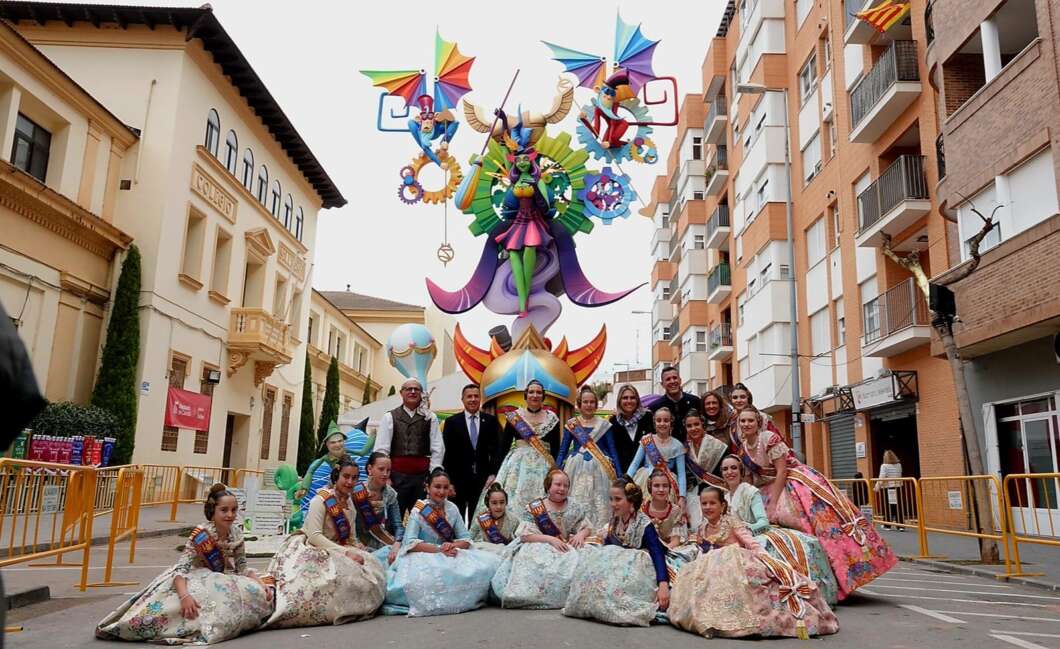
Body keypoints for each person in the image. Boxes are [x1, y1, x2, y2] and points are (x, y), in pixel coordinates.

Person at [734, 405, 896, 600]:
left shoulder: (768, 438)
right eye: (743, 421)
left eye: (750, 420)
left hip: (793, 485)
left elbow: (781, 471)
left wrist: (773, 502)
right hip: (765, 489)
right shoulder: (743, 447)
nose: (746, 424)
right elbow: (750, 478)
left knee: (819, 528)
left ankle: (840, 577)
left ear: (758, 422)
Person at [96, 484, 274, 643]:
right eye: (224, 510)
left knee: (256, 594)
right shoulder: (201, 534)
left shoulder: (236, 534)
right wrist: (184, 596)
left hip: (223, 578)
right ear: (213, 511)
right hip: (192, 577)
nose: (230, 515)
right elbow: (181, 570)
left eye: (234, 510)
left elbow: (242, 568)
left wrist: (259, 583)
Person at [668, 486, 839, 640]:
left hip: (735, 564)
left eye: (712, 503)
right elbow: (702, 550)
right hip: (711, 568)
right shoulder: (702, 528)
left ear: (722, 505)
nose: (708, 507)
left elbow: (750, 542)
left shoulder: (732, 522)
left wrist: (765, 558)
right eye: (704, 504)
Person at [265, 458, 386, 628]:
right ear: (336, 476)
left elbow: (351, 538)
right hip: (314, 547)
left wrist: (358, 548)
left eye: (354, 478)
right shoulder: (320, 500)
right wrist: (345, 552)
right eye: (346, 476)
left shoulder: (350, 503)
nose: (350, 482)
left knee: (369, 567)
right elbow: (315, 536)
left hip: (339, 548)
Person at [720, 455, 839, 607]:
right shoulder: (724, 497)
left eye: (733, 468)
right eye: (725, 469)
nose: (730, 472)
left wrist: (745, 529)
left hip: (754, 536)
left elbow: (763, 522)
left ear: (741, 471)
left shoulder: (750, 492)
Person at [383, 468, 501, 616]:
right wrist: (440, 549)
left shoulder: (452, 509)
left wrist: (452, 545)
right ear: (428, 487)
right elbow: (410, 543)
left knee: (482, 567)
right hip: (423, 553)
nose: (441, 491)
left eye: (445, 487)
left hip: (448, 551)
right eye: (437, 487)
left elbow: (466, 539)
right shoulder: (419, 510)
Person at [562, 478, 671, 627]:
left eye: (618, 499)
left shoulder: (644, 524)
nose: (613, 504)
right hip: (620, 565)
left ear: (631, 502)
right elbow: (609, 548)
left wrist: (663, 585)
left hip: (639, 567)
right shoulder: (615, 521)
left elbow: (657, 554)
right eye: (611, 499)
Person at [491, 469, 592, 609]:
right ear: (548, 486)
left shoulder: (575, 506)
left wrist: (580, 535)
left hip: (565, 546)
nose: (562, 488)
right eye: (558, 484)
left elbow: (586, 526)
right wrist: (551, 540)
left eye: (566, 485)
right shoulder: (535, 507)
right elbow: (526, 535)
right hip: (539, 543)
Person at [478, 379, 561, 517]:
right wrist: (494, 473)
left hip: (543, 466)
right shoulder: (515, 417)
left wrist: (557, 471)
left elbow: (556, 449)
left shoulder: (552, 419)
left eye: (539, 392)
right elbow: (503, 447)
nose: (535, 395)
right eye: (531, 392)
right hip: (517, 467)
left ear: (543, 396)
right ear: (526, 395)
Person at [375, 377, 444, 516]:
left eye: (416, 389)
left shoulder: (431, 418)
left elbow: (438, 448)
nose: (412, 392)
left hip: (422, 479)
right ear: (401, 393)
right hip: (395, 478)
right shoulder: (389, 417)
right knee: (393, 521)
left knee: (423, 519)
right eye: (408, 389)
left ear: (421, 393)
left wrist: (432, 475)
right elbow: (381, 450)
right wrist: (385, 476)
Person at [555, 386, 621, 527]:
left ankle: (600, 528)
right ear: (579, 404)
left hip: (601, 468)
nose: (589, 405)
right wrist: (555, 471)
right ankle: (576, 526)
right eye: (585, 402)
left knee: (600, 501)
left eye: (592, 402)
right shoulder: (572, 424)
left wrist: (619, 474)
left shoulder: (604, 425)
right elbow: (563, 450)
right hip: (576, 467)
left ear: (596, 405)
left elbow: (613, 450)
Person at [443, 384, 503, 522]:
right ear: (462, 399)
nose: (473, 399)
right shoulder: (452, 422)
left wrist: (493, 473)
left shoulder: (491, 421)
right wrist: (449, 481)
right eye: (469, 396)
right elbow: (447, 453)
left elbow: (497, 450)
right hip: (458, 480)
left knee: (478, 520)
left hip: (483, 480)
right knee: (455, 519)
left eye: (476, 396)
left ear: (480, 399)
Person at [626, 408, 687, 513]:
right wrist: (625, 482)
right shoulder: (647, 440)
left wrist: (682, 496)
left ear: (671, 422)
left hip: (667, 483)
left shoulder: (677, 445)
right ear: (654, 423)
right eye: (659, 420)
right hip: (645, 480)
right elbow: (635, 464)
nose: (662, 423)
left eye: (666, 420)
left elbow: (681, 474)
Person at [352, 452, 404, 565]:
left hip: (382, 543)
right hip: (357, 544)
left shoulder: (391, 494)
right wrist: (356, 543)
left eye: (388, 470)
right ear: (370, 469)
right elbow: (349, 522)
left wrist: (397, 543)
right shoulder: (356, 491)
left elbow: (398, 526)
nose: (385, 474)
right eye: (381, 469)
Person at [683, 409, 728, 530]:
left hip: (717, 491)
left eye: (696, 424)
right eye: (689, 426)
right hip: (694, 493)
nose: (693, 428)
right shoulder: (685, 448)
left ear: (703, 425)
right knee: (695, 527)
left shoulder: (717, 446)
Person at [296, 422, 347, 501]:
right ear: (327, 444)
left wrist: (372, 437)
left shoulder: (348, 458)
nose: (337, 444)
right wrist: (304, 488)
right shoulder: (325, 459)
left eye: (340, 441)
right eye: (333, 442)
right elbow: (311, 471)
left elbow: (362, 452)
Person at [649, 366, 701, 443]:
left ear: (680, 380)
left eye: (675, 378)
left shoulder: (695, 401)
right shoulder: (655, 407)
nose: (672, 381)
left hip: (693, 448)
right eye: (668, 379)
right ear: (662, 384)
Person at [608, 383, 653, 472]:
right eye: (625, 398)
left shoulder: (648, 417)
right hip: (623, 475)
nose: (629, 401)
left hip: (645, 474)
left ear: (637, 400)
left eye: (632, 398)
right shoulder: (613, 422)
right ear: (619, 401)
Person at [469, 482, 519, 555]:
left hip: (504, 555)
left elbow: (519, 540)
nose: (499, 506)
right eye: (494, 503)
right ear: (488, 503)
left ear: (506, 502)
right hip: (486, 554)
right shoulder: (481, 519)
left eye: (502, 502)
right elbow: (469, 538)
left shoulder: (513, 520)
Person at [642, 469, 688, 547]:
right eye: (656, 486)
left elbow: (675, 541)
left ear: (670, 488)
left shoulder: (675, 511)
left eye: (665, 486)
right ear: (650, 487)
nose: (661, 489)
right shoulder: (642, 509)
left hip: (669, 548)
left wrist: (661, 551)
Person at [875, 450, 904, 530]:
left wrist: (877, 487)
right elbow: (900, 474)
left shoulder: (884, 466)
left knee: (887, 506)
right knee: (898, 506)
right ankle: (900, 526)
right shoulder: (899, 465)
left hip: (888, 488)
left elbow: (882, 477)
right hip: (898, 487)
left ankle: (887, 525)